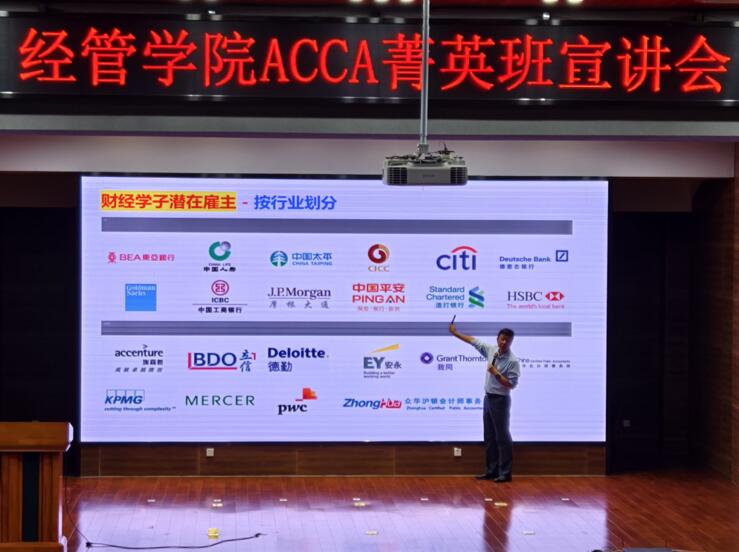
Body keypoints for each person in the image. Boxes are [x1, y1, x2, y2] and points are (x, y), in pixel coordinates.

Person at [449, 323, 520, 483]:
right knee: (489, 437)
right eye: (502, 339)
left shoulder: (512, 361)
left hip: (500, 400)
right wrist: (455, 333)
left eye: (508, 341)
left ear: (511, 342)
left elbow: (512, 384)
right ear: (497, 339)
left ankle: (505, 473)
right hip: (488, 399)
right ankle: (491, 471)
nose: (504, 343)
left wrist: (496, 374)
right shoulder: (491, 350)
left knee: (502, 437)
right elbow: (472, 340)